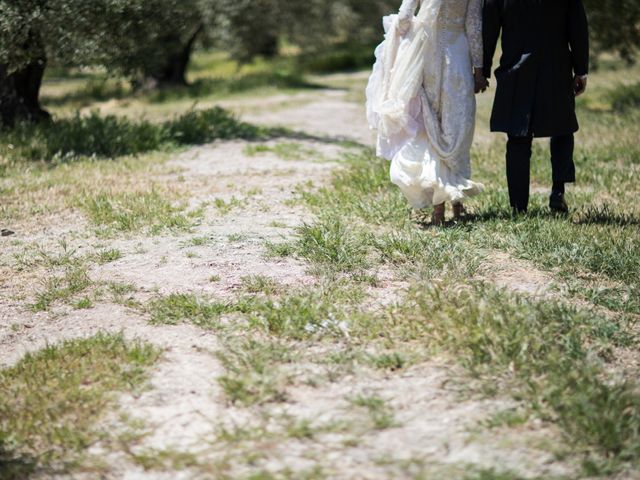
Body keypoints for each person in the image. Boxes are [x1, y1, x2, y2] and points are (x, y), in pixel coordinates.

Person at [366, 0, 488, 225]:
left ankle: (438, 207)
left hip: (426, 56)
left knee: (431, 126)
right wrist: (479, 69)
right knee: (457, 124)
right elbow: (474, 26)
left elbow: (404, 18)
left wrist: (399, 32)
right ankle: (456, 201)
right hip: (458, 56)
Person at [482, 0, 590, 214]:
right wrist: (581, 69)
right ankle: (558, 191)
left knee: (518, 136)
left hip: (516, 68)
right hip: (556, 65)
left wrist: (482, 69)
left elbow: (490, 28)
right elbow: (577, 25)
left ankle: (518, 206)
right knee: (562, 128)